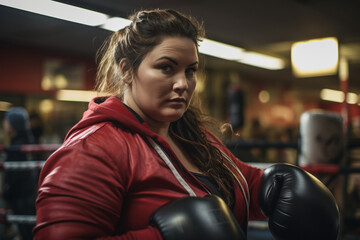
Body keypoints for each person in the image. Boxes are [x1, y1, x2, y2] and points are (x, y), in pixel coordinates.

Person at [34, 9, 339, 240]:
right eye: (166, 68)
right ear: (126, 70)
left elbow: (241, 182)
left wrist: (269, 188)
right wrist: (162, 236)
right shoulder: (91, 151)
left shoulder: (195, 137)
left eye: (190, 71)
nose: (183, 83)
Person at [2, 107, 36, 240]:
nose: (4, 123)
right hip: (27, 194)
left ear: (13, 125)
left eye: (6, 120)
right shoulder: (28, 142)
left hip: (20, 196)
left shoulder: (17, 148)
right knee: (25, 229)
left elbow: (13, 177)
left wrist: (6, 192)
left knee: (25, 230)